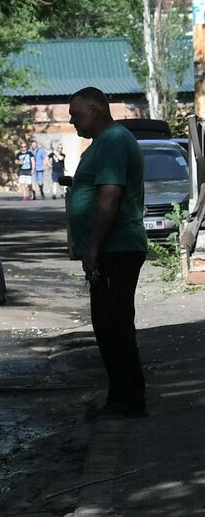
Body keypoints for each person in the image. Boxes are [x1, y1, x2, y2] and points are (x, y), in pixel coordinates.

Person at [65, 88, 149, 417]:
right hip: (113, 249)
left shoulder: (113, 140)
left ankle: (128, 401)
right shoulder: (104, 143)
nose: (72, 121)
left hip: (117, 248)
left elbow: (110, 195)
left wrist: (94, 246)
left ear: (96, 109)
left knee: (113, 326)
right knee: (108, 325)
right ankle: (120, 397)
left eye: (76, 114)